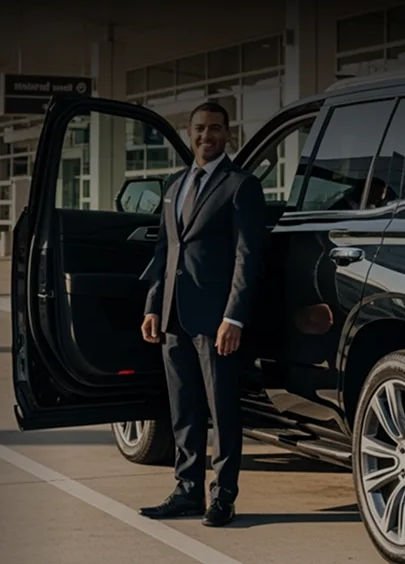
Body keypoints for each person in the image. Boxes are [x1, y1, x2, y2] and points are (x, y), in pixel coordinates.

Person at [136, 101, 269, 527]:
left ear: (228, 134)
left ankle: (223, 496)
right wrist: (153, 305)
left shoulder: (240, 186)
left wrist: (234, 317)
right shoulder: (174, 184)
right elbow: (163, 250)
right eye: (198, 128)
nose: (205, 136)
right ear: (188, 131)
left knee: (222, 410)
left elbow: (248, 258)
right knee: (184, 410)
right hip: (174, 316)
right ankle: (187, 491)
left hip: (216, 323)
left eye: (214, 128)